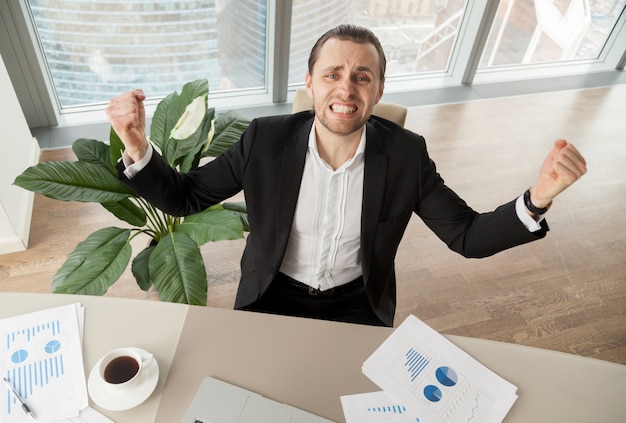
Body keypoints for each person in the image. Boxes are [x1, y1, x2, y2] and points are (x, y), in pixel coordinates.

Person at [106, 24, 587, 327]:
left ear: (378, 91)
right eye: (333, 73)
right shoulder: (264, 140)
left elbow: (466, 236)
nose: (346, 87)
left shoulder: (406, 155)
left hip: (358, 305)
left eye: (362, 76)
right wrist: (134, 143)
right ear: (310, 83)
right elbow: (185, 198)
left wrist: (538, 197)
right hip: (271, 293)